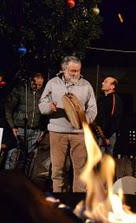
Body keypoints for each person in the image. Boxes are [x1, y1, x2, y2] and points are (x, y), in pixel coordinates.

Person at [39, 56, 97, 192]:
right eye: (72, 71)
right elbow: (42, 104)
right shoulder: (53, 83)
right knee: (58, 168)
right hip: (57, 132)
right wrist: (49, 107)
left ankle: (78, 200)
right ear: (64, 69)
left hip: (79, 133)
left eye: (78, 71)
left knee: (81, 168)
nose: (76, 74)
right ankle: (58, 198)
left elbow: (93, 108)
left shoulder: (86, 85)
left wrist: (84, 121)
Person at [4, 73, 46, 170]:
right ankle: (8, 179)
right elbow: (8, 108)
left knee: (29, 159)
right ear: (31, 81)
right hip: (20, 129)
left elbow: (47, 112)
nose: (37, 87)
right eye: (35, 84)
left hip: (35, 130)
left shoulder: (43, 92)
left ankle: (24, 181)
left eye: (40, 85)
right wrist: (12, 126)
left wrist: (43, 129)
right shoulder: (20, 90)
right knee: (13, 156)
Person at [95, 76, 123, 155]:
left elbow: (115, 119)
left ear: (112, 86)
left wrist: (106, 136)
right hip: (100, 133)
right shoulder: (102, 99)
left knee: (106, 160)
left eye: (106, 82)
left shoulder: (115, 99)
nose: (102, 83)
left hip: (108, 135)